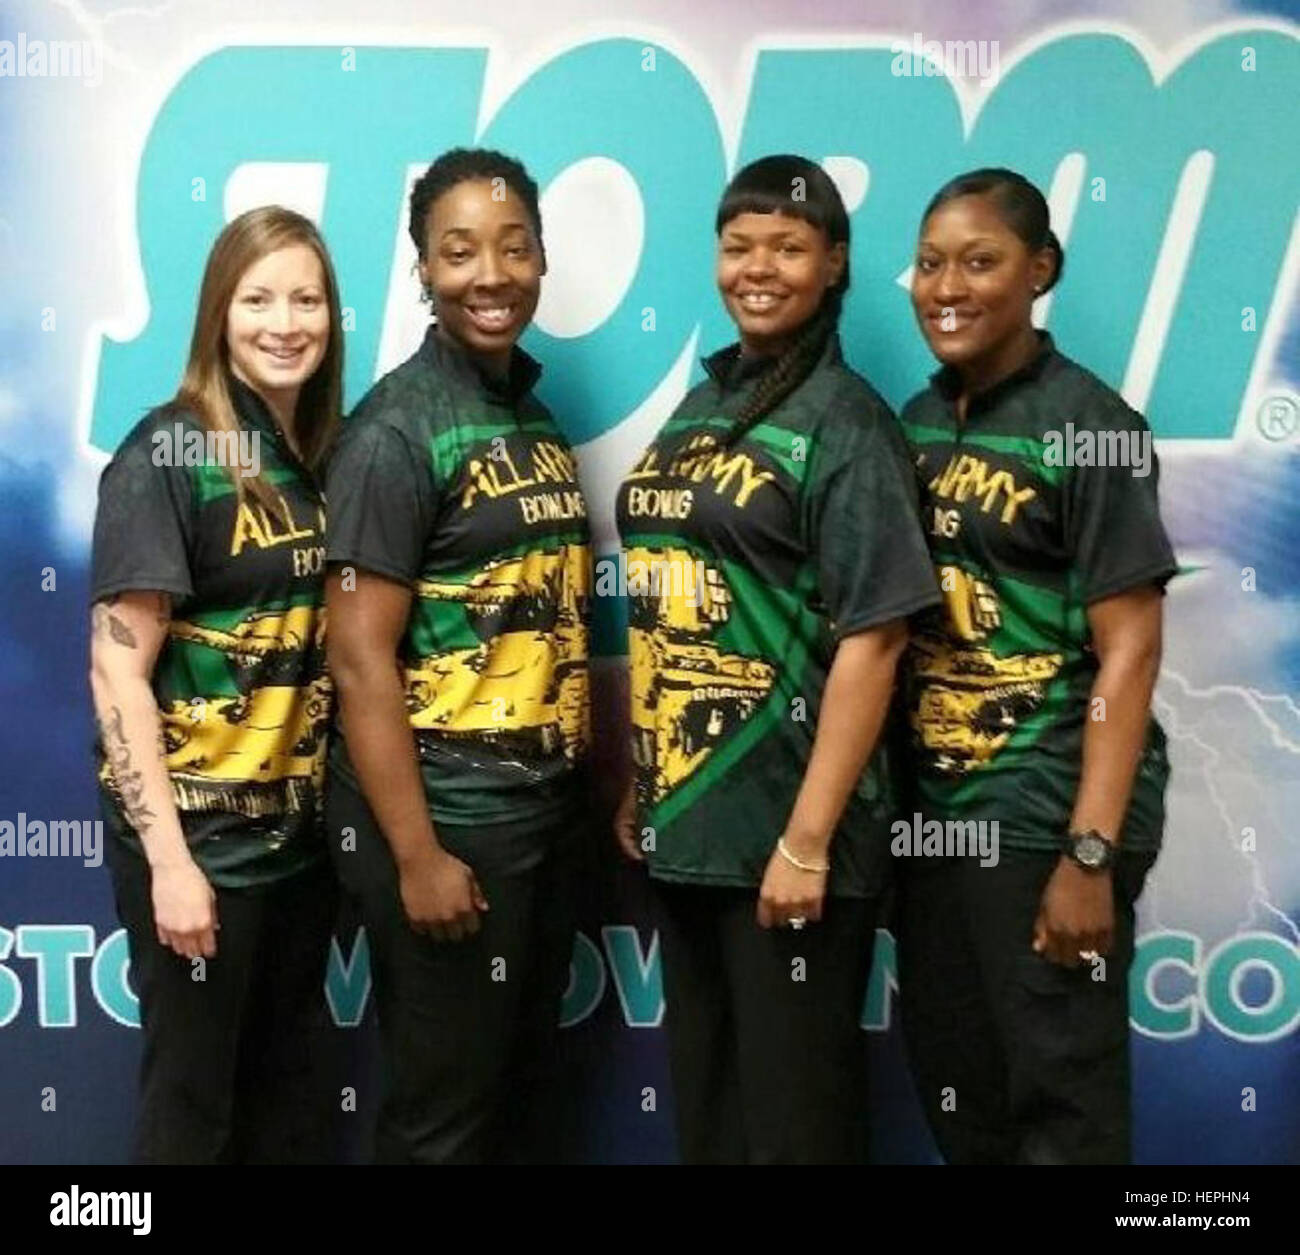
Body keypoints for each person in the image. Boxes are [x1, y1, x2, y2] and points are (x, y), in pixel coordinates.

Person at [614, 154, 940, 1164]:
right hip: (690, 822)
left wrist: (804, 841)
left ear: (834, 264)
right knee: (709, 1118)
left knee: (795, 1129)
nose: (760, 268)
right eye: (739, 245)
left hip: (792, 843)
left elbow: (876, 637)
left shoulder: (845, 425)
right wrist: (644, 775)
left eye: (789, 248)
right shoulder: (705, 404)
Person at [893, 167, 1178, 1165]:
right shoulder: (914, 421)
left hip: (1046, 812)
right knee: (958, 1091)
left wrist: (1088, 855)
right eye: (930, 264)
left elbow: (1131, 646)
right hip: (935, 819)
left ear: (1038, 270)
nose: (947, 288)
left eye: (980, 262)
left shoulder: (1089, 428)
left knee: (1059, 1109)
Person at [324, 147, 591, 1165]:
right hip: (450, 829)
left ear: (540, 260)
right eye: (459, 252)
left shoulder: (527, 412)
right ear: (423, 272)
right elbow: (358, 663)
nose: (491, 273)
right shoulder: (397, 431)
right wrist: (417, 856)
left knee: (517, 1102)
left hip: (534, 822)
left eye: (513, 246)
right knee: (444, 1122)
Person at [89, 205, 342, 1163]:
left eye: (307, 299)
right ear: (216, 316)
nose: (286, 323)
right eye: (259, 299)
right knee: (192, 1125)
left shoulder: (321, 456)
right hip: (202, 859)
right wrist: (171, 865)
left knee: (287, 1116)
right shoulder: (171, 453)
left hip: (296, 856)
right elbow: (119, 668)